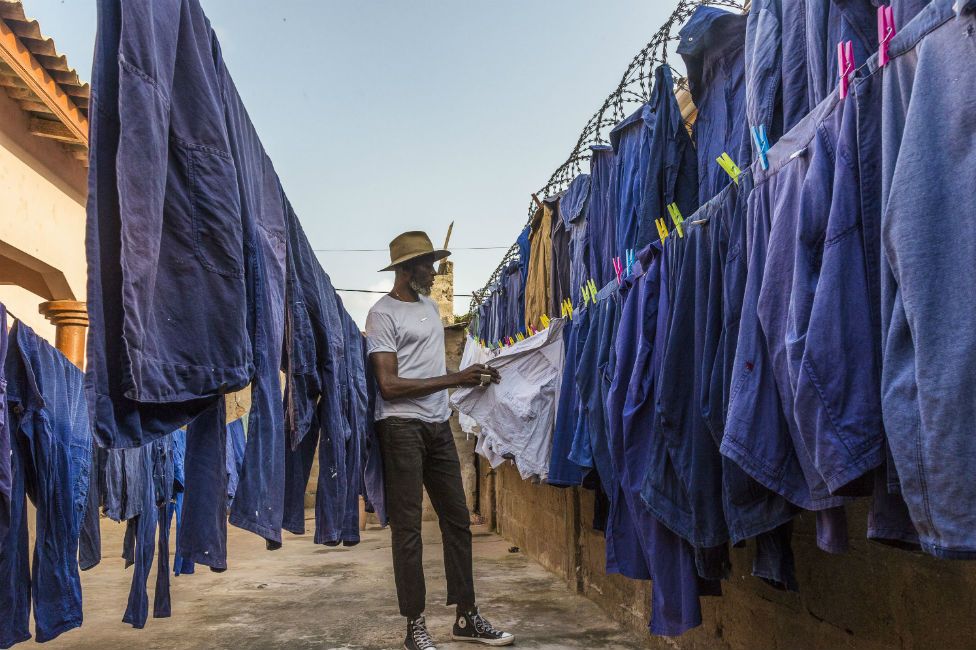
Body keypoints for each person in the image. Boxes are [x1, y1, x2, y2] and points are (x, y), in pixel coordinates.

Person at [365, 231, 515, 650]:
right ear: (406, 269)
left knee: (458, 522)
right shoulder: (381, 315)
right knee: (408, 531)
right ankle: (414, 625)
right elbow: (388, 386)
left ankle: (466, 617)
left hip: (436, 425)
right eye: (426, 265)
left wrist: (475, 378)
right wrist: (455, 378)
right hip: (399, 428)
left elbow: (433, 374)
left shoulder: (431, 308)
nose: (432, 272)